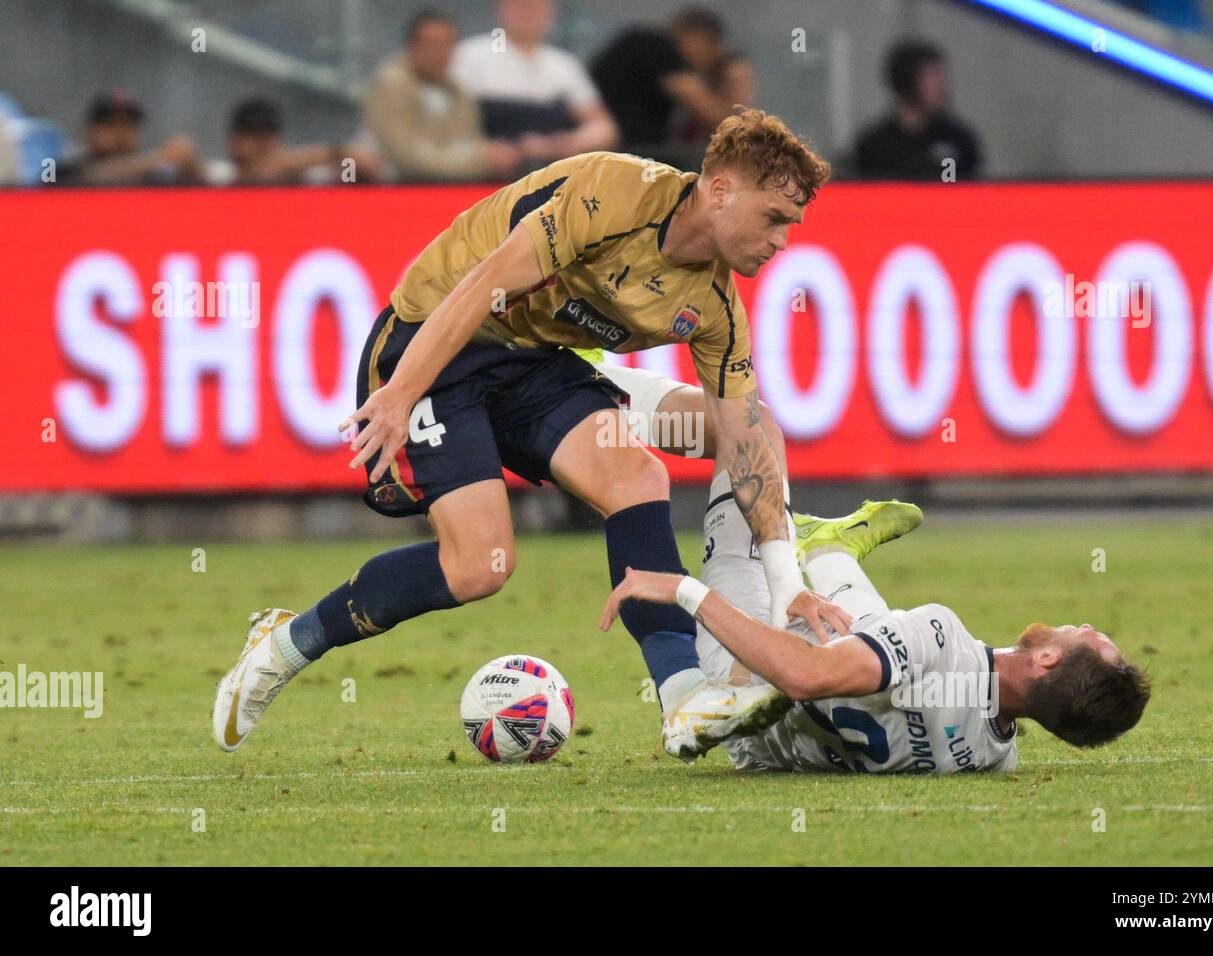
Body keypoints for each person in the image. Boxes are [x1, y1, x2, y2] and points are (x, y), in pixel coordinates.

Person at [212, 109, 841, 761]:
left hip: (533, 364)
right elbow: (482, 286)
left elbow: (743, 445)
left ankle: (685, 698)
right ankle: (286, 644)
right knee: (479, 568)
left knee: (640, 475)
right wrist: (399, 393)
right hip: (439, 339)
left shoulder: (716, 309)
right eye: (774, 218)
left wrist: (784, 577)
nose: (782, 241)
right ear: (720, 191)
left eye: (790, 226)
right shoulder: (612, 194)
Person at [601, 490, 1152, 773]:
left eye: (1086, 635)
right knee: (877, 636)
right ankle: (832, 548)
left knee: (752, 432)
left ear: (1048, 661)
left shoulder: (941, 635)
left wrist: (684, 590)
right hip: (756, 752)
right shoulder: (992, 757)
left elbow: (803, 674)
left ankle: (821, 548)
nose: (1080, 623)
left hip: (750, 671)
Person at [449, 0, 617, 171]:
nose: (529, 14)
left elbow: (602, 127)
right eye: (520, 6)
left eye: (537, 7)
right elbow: (444, 120)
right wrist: (480, 150)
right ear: (501, 9)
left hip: (549, 178)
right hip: (483, 178)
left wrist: (563, 144)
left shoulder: (564, 64)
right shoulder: (469, 56)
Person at [364, 8, 521, 181]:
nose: (439, 52)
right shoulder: (390, 86)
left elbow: (467, 141)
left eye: (447, 44)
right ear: (411, 47)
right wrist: (480, 159)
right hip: (396, 190)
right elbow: (407, 158)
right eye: (431, 44)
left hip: (452, 188)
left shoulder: (459, 92)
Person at [589, 15, 736, 164]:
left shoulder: (647, 50)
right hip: (622, 152)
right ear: (698, 38)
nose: (711, 59)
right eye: (712, 48)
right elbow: (707, 110)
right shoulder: (656, 46)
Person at [853, 39, 982, 181]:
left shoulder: (958, 139)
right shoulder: (874, 145)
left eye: (940, 78)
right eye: (931, 78)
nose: (940, 87)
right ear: (906, 81)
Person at [207, 98, 379, 186]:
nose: (262, 150)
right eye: (254, 138)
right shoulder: (217, 176)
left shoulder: (305, 178)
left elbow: (367, 166)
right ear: (232, 142)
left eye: (267, 141)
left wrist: (318, 156)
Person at [62, 92, 204, 186]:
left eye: (129, 125)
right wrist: (160, 157)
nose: (121, 133)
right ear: (91, 130)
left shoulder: (149, 176)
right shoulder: (70, 168)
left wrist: (191, 170)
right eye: (112, 124)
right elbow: (88, 178)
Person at [666, 8, 756, 150]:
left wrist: (693, 94)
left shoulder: (731, 70)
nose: (686, 50)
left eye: (696, 43)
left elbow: (734, 119)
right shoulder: (678, 71)